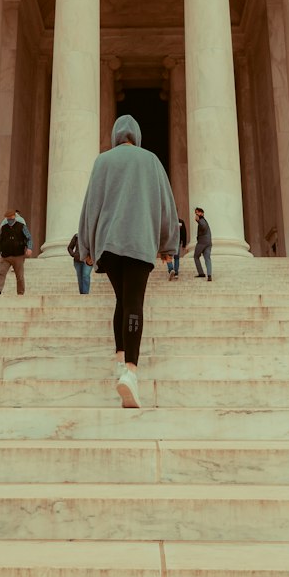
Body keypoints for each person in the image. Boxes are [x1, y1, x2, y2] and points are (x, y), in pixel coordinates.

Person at [77, 113, 179, 410]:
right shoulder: (150, 161)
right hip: (138, 240)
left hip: (108, 245)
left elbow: (90, 206)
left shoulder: (102, 161)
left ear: (115, 135)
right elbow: (166, 205)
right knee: (134, 302)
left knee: (122, 300)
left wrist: (86, 245)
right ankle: (131, 372)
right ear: (137, 135)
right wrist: (168, 244)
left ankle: (119, 359)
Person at [0, 210, 33, 295]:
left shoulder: (22, 226)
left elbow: (29, 237)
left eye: (11, 217)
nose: (9, 219)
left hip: (18, 255)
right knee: (1, 273)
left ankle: (20, 293)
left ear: (14, 216)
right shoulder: (4, 227)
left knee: (20, 276)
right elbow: (0, 241)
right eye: (8, 218)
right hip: (5, 256)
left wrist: (29, 248)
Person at [166, 215, 188, 280]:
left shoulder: (169, 222)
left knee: (168, 256)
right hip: (177, 242)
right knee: (176, 258)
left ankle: (171, 269)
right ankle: (176, 273)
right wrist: (184, 244)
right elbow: (184, 233)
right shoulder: (180, 221)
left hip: (170, 242)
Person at [193, 207, 212, 280]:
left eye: (197, 212)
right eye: (195, 213)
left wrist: (198, 221)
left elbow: (203, 227)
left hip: (202, 242)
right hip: (208, 242)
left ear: (202, 213)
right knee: (207, 258)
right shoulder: (204, 220)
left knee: (196, 256)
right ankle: (209, 275)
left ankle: (201, 273)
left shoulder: (202, 220)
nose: (196, 214)